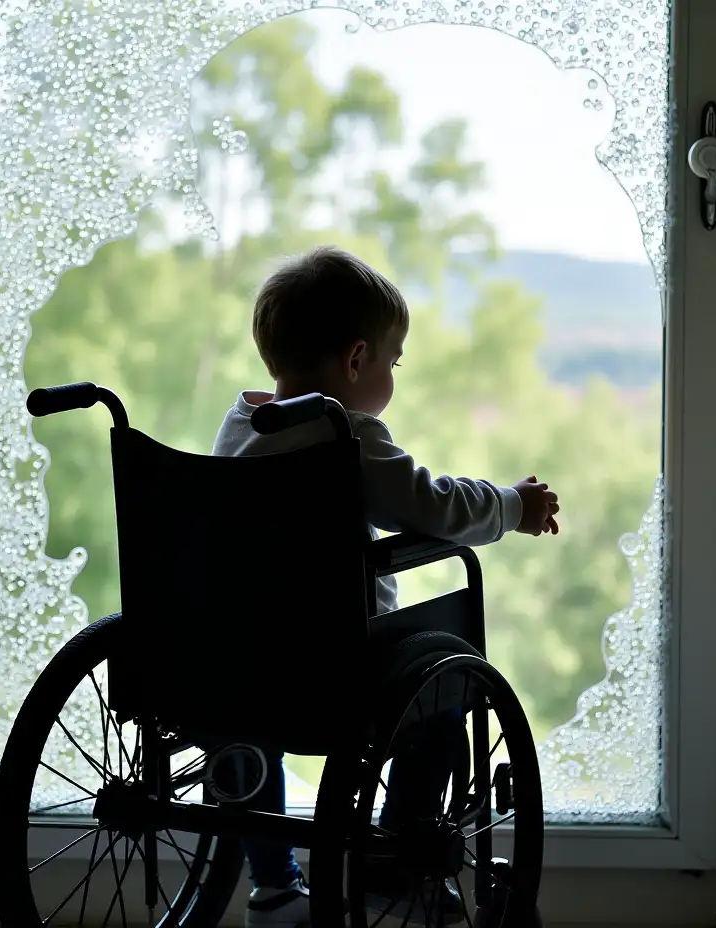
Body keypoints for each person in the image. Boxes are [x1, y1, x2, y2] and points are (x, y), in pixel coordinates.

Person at [212, 245, 561, 928]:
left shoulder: (240, 426)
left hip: (238, 661)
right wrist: (512, 506)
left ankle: (275, 890)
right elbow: (432, 506)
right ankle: (389, 864)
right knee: (443, 696)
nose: (393, 377)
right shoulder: (343, 436)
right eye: (393, 363)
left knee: (247, 737)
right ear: (356, 360)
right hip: (331, 665)